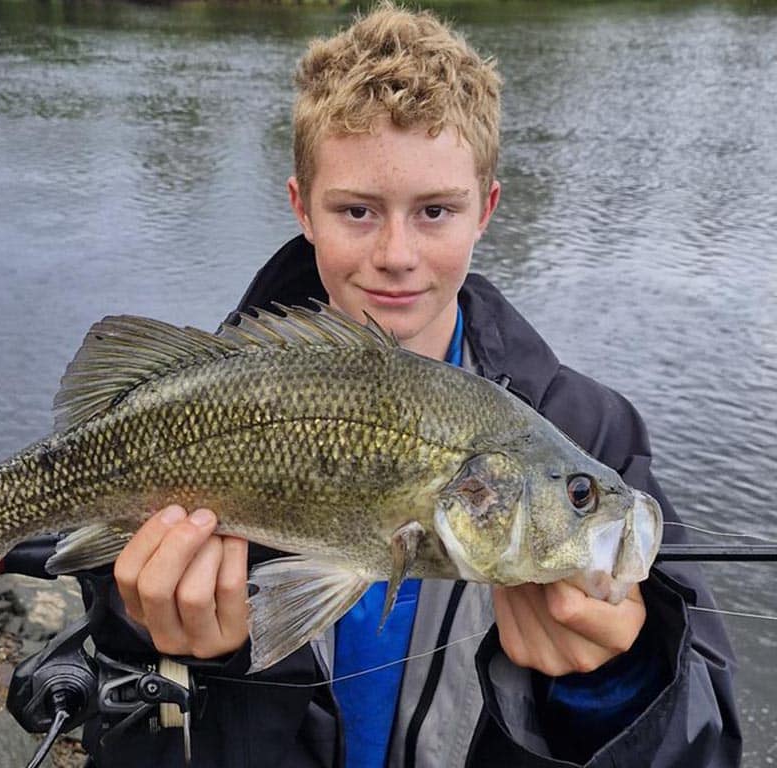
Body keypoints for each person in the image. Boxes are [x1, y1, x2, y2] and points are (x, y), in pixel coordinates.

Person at [81, 4, 740, 766]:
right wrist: (161, 648)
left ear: (486, 210)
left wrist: (619, 685)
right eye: (357, 210)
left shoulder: (592, 433)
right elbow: (120, 738)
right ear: (302, 208)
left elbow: (709, 743)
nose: (396, 254)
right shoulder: (206, 398)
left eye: (435, 211)